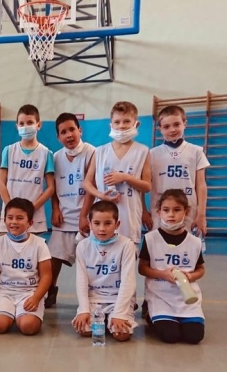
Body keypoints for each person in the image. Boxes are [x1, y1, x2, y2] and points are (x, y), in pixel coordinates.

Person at [138, 189, 205, 344]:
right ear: (159, 212)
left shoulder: (194, 242)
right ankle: (151, 311)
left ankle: (183, 318)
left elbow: (201, 269)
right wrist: (163, 274)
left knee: (194, 337)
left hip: (187, 297)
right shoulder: (150, 239)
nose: (171, 215)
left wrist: (190, 276)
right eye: (166, 210)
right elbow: (142, 268)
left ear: (186, 212)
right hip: (161, 296)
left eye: (177, 210)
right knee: (170, 336)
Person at [83, 101, 151, 247]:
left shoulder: (143, 151)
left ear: (136, 124)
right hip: (103, 215)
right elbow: (87, 183)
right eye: (117, 122)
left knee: (128, 260)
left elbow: (147, 186)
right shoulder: (99, 151)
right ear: (111, 125)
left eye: (127, 121)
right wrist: (101, 196)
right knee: (102, 262)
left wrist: (125, 177)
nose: (121, 126)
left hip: (130, 214)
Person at [0, 197, 51, 335]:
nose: (14, 222)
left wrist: (36, 298)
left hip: (29, 293)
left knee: (28, 327)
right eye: (10, 217)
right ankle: (7, 313)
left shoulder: (39, 244)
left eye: (19, 218)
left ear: (30, 222)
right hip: (4, 292)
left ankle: (21, 315)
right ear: (4, 220)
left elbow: (47, 275)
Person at [46, 113, 95, 308]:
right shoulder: (55, 157)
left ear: (80, 130)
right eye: (63, 132)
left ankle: (97, 293)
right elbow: (53, 188)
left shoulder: (92, 152)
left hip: (85, 218)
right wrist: (55, 209)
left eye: (72, 129)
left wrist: (85, 216)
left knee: (90, 260)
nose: (69, 135)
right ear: (58, 137)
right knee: (53, 257)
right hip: (64, 217)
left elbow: (91, 187)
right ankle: (50, 289)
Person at [72, 201, 137, 342]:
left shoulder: (127, 245)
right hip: (94, 298)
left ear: (117, 224)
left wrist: (119, 313)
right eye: (96, 223)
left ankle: (113, 318)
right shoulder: (83, 246)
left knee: (121, 335)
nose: (102, 229)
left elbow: (128, 282)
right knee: (84, 330)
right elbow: (81, 281)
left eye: (108, 223)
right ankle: (105, 321)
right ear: (89, 224)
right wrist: (84, 310)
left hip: (117, 298)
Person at [142, 105, 209, 236]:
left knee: (187, 251)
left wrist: (201, 214)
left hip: (188, 211)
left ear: (185, 124)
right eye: (166, 126)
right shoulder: (152, 154)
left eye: (176, 124)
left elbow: (201, 185)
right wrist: (144, 211)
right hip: (160, 212)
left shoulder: (196, 151)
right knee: (159, 251)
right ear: (159, 129)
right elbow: (142, 187)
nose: (172, 129)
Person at [0, 104, 55, 235]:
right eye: (22, 123)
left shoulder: (46, 153)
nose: (25, 126)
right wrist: (10, 208)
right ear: (17, 126)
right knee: (5, 252)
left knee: (34, 253)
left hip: (34, 215)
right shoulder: (9, 150)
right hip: (9, 215)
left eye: (30, 122)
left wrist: (31, 209)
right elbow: (1, 183)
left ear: (38, 125)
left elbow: (51, 188)